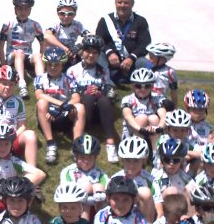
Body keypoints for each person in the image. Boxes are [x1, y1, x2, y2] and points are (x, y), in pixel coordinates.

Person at [0, 123, 46, 219]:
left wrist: (19, 185)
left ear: (12, 145)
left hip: (11, 199)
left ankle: (22, 216)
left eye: (6, 144)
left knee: (28, 182)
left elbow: (41, 174)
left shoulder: (14, 161)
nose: (3, 148)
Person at [66, 34, 119, 163]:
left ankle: (111, 143)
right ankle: (83, 131)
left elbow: (111, 91)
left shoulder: (103, 70)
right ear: (82, 51)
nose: (91, 55)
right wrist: (86, 91)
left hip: (100, 111)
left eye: (95, 53)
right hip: (81, 112)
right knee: (89, 97)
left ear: (99, 54)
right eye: (88, 51)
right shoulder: (72, 71)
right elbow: (71, 94)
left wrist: (101, 91)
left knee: (104, 99)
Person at [34, 46, 85, 164]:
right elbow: (39, 95)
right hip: (47, 116)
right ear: (45, 64)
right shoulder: (40, 78)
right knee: (42, 102)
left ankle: (76, 145)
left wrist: (65, 108)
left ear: (62, 65)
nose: (52, 67)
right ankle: (51, 145)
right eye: (50, 64)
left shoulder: (68, 79)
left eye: (56, 64)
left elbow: (76, 97)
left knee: (80, 107)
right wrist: (61, 104)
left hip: (64, 115)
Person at [0, 65, 38, 167]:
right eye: (4, 83)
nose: (8, 87)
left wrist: (12, 136)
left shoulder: (18, 101)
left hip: (12, 138)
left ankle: (32, 172)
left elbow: (23, 126)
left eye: (11, 84)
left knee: (30, 135)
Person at [95, 0, 151, 85]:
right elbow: (99, 41)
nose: (122, 5)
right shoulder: (105, 20)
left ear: (132, 4)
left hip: (132, 60)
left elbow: (145, 43)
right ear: (115, 3)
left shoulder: (140, 21)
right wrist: (109, 53)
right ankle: (104, 82)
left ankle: (144, 86)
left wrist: (131, 58)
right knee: (98, 57)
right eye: (119, 2)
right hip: (111, 60)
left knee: (146, 63)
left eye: (126, 2)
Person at [0, 0, 44, 99]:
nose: (23, 12)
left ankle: (41, 84)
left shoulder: (35, 25)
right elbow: (0, 46)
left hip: (27, 56)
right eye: (20, 9)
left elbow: (43, 44)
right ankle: (22, 85)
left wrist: (41, 57)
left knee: (36, 56)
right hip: (12, 57)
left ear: (30, 10)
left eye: (26, 9)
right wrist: (4, 64)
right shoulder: (8, 24)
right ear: (15, 10)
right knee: (19, 53)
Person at [59, 134, 109, 221]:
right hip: (75, 208)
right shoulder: (68, 172)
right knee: (86, 186)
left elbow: (108, 190)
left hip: (97, 207)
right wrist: (86, 195)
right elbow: (66, 192)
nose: (86, 161)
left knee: (98, 186)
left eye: (90, 157)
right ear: (75, 156)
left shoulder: (101, 174)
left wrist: (97, 195)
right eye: (82, 157)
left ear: (95, 157)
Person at [112, 136, 162, 222]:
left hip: (144, 223)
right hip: (119, 221)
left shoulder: (151, 180)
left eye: (136, 160)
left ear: (143, 160)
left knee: (144, 192)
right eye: (128, 160)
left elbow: (159, 211)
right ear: (122, 160)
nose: (131, 165)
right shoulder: (114, 179)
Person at [120, 68, 167, 153]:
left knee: (154, 118)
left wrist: (160, 127)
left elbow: (163, 116)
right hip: (134, 131)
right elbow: (128, 116)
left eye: (147, 86)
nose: (143, 89)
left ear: (152, 86)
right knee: (142, 118)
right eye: (138, 86)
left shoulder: (157, 97)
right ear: (133, 86)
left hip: (152, 131)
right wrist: (141, 129)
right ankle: (136, 152)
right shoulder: (127, 99)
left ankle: (156, 155)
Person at [152, 139, 197, 212]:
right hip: (162, 212)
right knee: (170, 191)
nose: (171, 164)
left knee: (190, 188)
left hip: (182, 212)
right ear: (162, 160)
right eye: (167, 160)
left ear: (182, 160)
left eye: (176, 160)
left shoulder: (186, 179)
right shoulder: (156, 177)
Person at [44, 0, 87, 68]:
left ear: (75, 14)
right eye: (62, 13)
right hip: (57, 54)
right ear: (58, 13)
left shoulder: (77, 25)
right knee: (47, 43)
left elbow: (89, 35)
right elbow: (47, 36)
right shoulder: (55, 25)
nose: (66, 17)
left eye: (70, 14)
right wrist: (64, 48)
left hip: (72, 53)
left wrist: (80, 45)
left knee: (87, 49)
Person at [140, 42, 178, 107]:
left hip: (161, 102)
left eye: (151, 57)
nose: (149, 59)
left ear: (162, 58)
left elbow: (173, 91)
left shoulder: (170, 72)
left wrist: (174, 106)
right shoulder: (146, 69)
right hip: (144, 100)